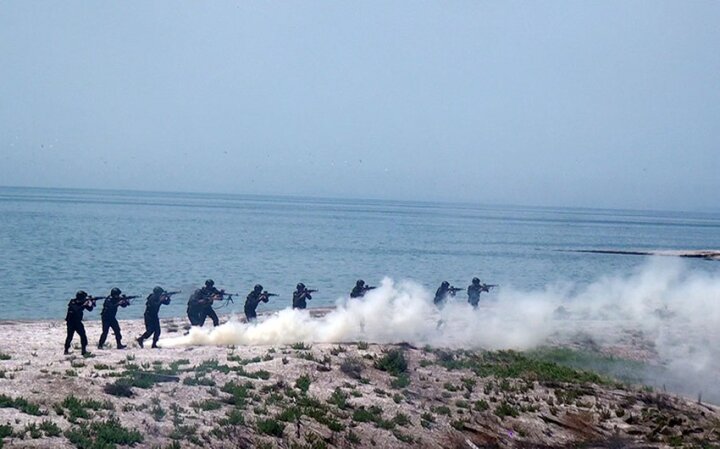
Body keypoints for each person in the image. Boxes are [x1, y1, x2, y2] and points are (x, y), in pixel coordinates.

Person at [64, 290, 96, 355]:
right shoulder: (72, 302)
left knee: (83, 336)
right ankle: (66, 350)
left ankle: (83, 350)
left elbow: (90, 309)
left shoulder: (83, 302)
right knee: (70, 336)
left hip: (78, 322)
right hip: (71, 322)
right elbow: (76, 309)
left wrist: (92, 303)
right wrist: (84, 305)